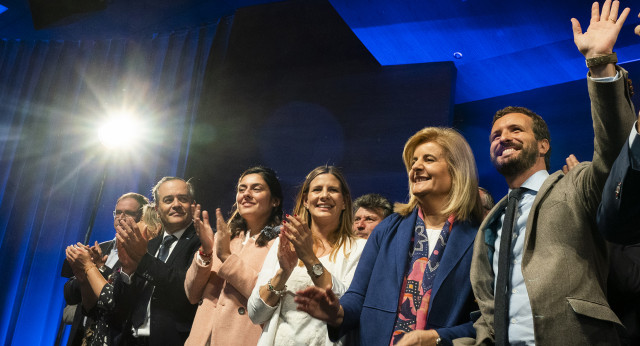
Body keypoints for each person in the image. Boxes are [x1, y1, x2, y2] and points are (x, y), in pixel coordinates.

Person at [456, 2, 637, 344]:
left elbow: (616, 155)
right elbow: (488, 304)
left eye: (514, 131)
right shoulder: (491, 221)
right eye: (495, 135)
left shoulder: (576, 185)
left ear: (542, 146)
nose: (503, 138)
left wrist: (600, 63)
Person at [295, 127, 483, 345]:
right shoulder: (387, 230)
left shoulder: (480, 236)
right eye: (413, 161)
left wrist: (437, 337)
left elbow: (486, 321)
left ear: (456, 169)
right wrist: (337, 313)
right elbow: (357, 296)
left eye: (428, 159)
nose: (416, 167)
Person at [247, 165, 367, 345]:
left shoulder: (360, 248)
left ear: (344, 202)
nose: (324, 195)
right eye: (317, 189)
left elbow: (347, 310)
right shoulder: (284, 243)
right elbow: (255, 314)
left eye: (333, 190)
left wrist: (310, 259)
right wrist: (283, 272)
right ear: (305, 200)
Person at [184, 166, 284, 345]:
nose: (246, 194)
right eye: (241, 189)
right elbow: (192, 294)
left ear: (275, 201)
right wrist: (206, 252)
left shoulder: (281, 244)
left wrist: (226, 257)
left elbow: (267, 297)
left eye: (256, 188)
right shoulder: (224, 238)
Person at [116, 177, 201, 345]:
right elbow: (120, 303)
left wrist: (143, 259)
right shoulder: (148, 243)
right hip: (130, 339)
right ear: (157, 209)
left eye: (183, 199)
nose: (176, 204)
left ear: (192, 205)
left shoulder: (203, 241)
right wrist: (126, 271)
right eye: (168, 200)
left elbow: (187, 288)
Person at [62, 192, 149, 346]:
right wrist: (85, 272)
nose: (121, 218)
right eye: (118, 213)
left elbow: (119, 301)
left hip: (113, 338)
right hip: (82, 336)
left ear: (142, 217)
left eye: (128, 213)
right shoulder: (100, 248)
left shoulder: (143, 256)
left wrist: (99, 269)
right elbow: (70, 295)